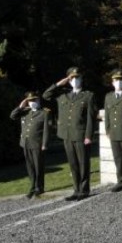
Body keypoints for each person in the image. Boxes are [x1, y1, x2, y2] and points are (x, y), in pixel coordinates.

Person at [43, 67, 96, 201]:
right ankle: (76, 190)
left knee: (83, 163)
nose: (75, 80)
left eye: (77, 77)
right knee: (73, 163)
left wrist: (89, 136)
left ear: (81, 79)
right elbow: (46, 95)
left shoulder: (88, 95)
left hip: (80, 134)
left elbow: (90, 118)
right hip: (66, 134)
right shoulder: (62, 95)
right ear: (68, 80)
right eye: (72, 78)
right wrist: (59, 84)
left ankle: (84, 190)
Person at [10, 91, 51, 198]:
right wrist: (21, 105)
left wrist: (44, 144)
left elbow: (46, 130)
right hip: (25, 143)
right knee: (30, 167)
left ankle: (39, 187)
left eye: (34, 100)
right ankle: (32, 187)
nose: (32, 102)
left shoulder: (44, 113)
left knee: (38, 166)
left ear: (38, 100)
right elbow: (12, 116)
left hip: (37, 143)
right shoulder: (24, 112)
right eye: (30, 100)